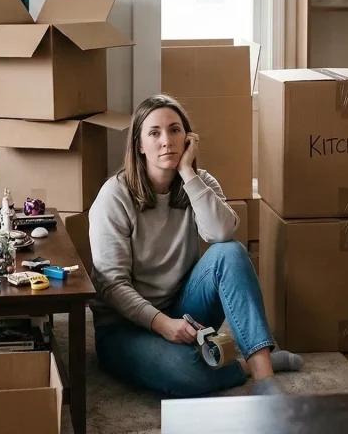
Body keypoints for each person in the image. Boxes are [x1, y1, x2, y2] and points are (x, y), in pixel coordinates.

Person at [89, 94, 304, 398]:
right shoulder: (114, 196)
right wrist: (162, 324)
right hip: (123, 327)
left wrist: (187, 173)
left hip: (183, 310)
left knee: (230, 252)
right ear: (139, 145)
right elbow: (111, 285)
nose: (166, 141)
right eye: (154, 133)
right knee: (184, 372)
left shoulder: (199, 182)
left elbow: (221, 233)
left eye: (175, 130)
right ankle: (243, 366)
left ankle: (264, 375)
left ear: (188, 138)